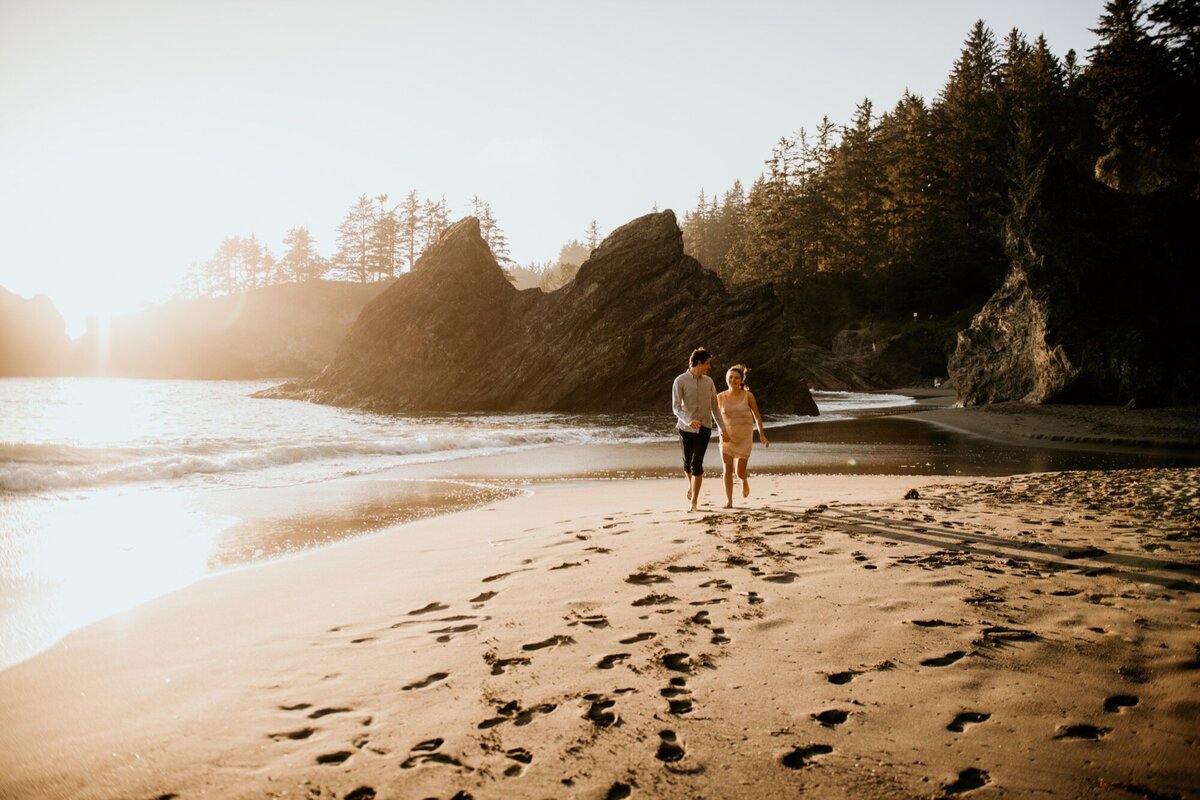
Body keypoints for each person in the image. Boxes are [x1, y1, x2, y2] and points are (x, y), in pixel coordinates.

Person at [671, 347, 722, 512]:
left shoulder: (709, 382)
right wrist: (689, 421)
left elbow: (715, 407)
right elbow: (676, 408)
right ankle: (690, 485)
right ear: (699, 363)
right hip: (685, 429)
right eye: (707, 364)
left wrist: (723, 429)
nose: (709, 367)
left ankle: (694, 502)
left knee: (697, 464)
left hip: (705, 428)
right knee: (687, 464)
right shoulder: (680, 381)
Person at [716, 364, 768, 508]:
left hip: (744, 437)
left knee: (739, 472)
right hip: (726, 437)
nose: (733, 380)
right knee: (727, 468)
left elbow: (756, 416)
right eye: (730, 377)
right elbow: (714, 416)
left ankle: (743, 480)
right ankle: (729, 501)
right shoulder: (720, 397)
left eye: (736, 378)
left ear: (741, 380)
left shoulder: (748, 395)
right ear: (727, 378)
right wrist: (720, 431)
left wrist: (762, 435)